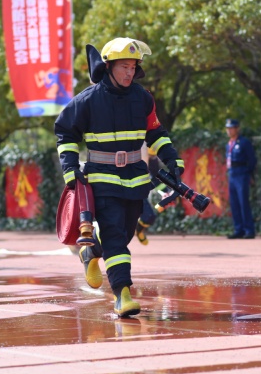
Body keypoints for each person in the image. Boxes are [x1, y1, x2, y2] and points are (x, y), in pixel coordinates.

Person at [55, 38, 184, 318]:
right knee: (115, 235)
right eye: (124, 66)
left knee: (123, 236)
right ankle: (122, 294)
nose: (129, 72)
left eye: (133, 66)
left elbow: (156, 133)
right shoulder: (87, 101)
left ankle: (90, 253)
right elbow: (65, 133)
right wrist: (69, 167)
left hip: (136, 179)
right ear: (108, 66)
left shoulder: (143, 98)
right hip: (101, 179)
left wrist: (173, 159)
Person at [225, 118, 257, 239]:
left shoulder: (244, 142)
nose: (229, 131)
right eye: (227, 128)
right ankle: (238, 229)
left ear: (237, 129)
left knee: (243, 202)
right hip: (232, 173)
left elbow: (252, 159)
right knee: (234, 203)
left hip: (241, 173)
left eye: (231, 128)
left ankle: (249, 230)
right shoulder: (228, 144)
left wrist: (248, 173)